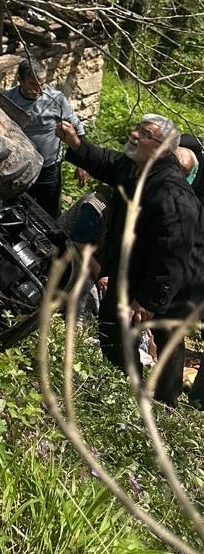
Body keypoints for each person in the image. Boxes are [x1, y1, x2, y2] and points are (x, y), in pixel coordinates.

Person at [57, 115, 204, 406]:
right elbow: (107, 162)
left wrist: (149, 301)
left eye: (144, 133)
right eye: (136, 128)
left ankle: (160, 400)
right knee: (120, 328)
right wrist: (76, 143)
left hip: (174, 281)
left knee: (161, 335)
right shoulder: (137, 168)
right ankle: (133, 388)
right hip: (138, 268)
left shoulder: (172, 196)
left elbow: (172, 256)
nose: (134, 134)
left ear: (163, 148)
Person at [5, 58, 84, 218]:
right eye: (33, 84)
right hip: (19, 169)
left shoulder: (56, 100)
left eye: (42, 83)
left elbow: (77, 128)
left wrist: (82, 163)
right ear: (20, 81)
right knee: (13, 212)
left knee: (49, 216)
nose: (40, 89)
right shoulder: (8, 100)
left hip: (48, 172)